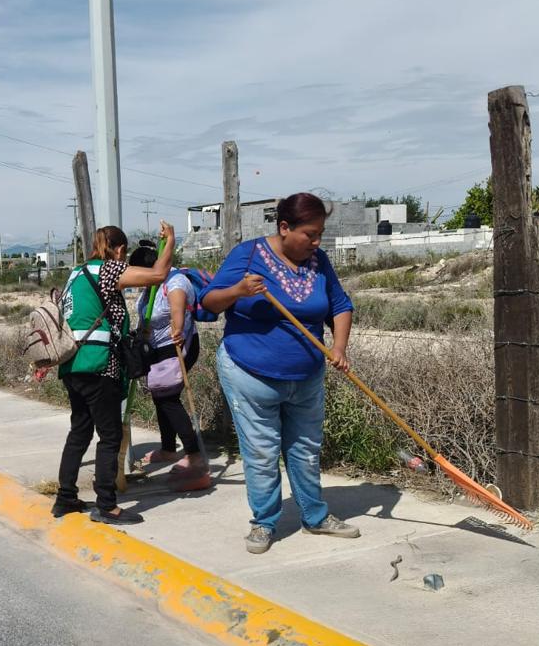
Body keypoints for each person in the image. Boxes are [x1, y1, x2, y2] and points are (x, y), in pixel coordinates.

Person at [199, 192, 358, 555]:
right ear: (284, 227)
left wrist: (339, 348)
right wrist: (238, 290)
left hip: (307, 376)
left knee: (305, 449)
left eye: (320, 234)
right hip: (250, 374)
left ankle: (314, 517)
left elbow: (340, 304)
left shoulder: (318, 262)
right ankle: (264, 522)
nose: (316, 242)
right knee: (262, 452)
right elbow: (209, 301)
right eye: (310, 234)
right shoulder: (249, 255)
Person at [53, 221, 175, 525]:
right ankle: (107, 505)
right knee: (109, 436)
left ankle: (65, 498)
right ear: (119, 250)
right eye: (123, 253)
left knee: (79, 431)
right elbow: (158, 276)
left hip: (72, 365)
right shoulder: (107, 270)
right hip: (99, 365)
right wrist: (170, 242)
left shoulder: (76, 274)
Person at [128, 243, 205, 478]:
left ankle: (193, 453)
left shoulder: (175, 282)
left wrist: (178, 329)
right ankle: (169, 448)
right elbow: (146, 316)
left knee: (168, 397)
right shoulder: (150, 287)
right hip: (157, 349)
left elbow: (177, 313)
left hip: (178, 347)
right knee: (160, 395)